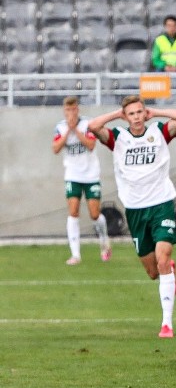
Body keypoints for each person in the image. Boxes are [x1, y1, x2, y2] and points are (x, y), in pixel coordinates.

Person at [88, 96, 176, 338]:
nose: (136, 117)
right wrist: (116, 114)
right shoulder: (118, 138)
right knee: (153, 272)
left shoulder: (159, 131)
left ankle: (167, 324)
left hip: (162, 204)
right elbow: (92, 127)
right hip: (135, 209)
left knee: (163, 259)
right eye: (131, 113)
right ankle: (168, 270)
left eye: (139, 112)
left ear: (145, 114)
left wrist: (157, 112)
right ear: (126, 116)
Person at [52, 96, 112, 265]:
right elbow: (56, 148)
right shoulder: (60, 127)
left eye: (73, 109)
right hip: (72, 175)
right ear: (64, 111)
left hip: (91, 174)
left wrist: (76, 130)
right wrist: (68, 131)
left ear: (78, 109)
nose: (70, 112)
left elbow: (91, 145)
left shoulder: (87, 124)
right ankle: (75, 254)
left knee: (94, 214)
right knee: (73, 212)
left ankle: (104, 240)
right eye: (67, 110)